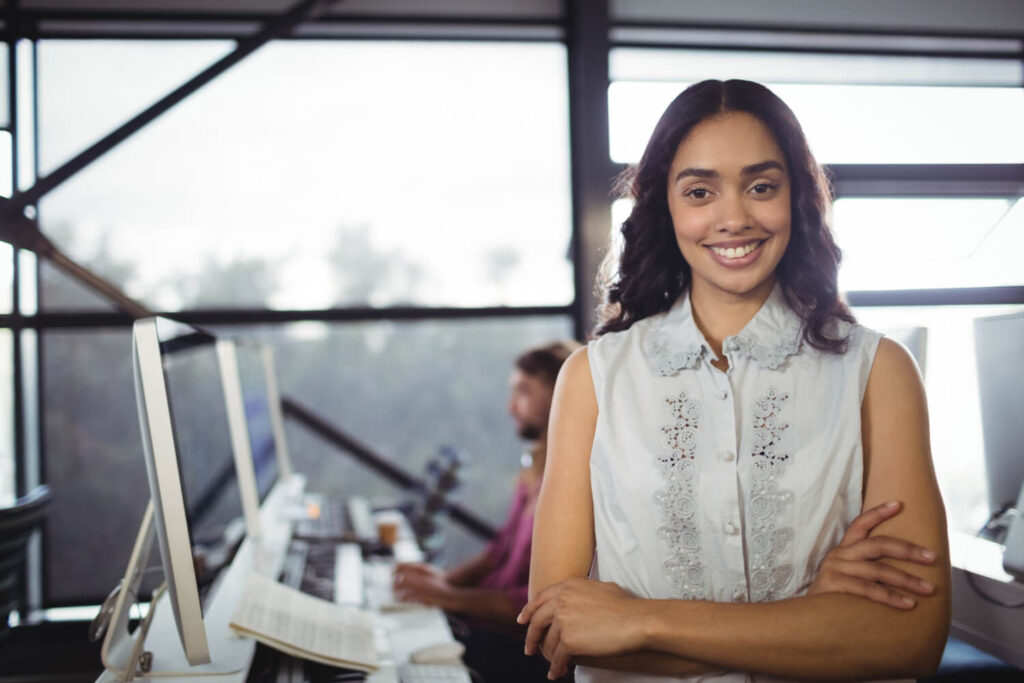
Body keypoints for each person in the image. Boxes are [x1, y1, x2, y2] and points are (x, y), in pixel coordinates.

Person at [519, 79, 951, 682]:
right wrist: (815, 620)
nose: (734, 218)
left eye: (761, 187)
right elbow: (561, 629)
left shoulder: (879, 371)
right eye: (700, 191)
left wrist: (642, 620)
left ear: (796, 197)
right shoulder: (593, 379)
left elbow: (911, 638)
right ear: (662, 206)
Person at [393, 340, 580, 680]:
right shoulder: (531, 471)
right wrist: (446, 581)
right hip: (486, 622)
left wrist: (453, 598)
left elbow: (542, 601)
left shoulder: (579, 480)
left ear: (562, 392)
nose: (511, 407)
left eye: (524, 391)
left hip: (521, 648)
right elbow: (498, 551)